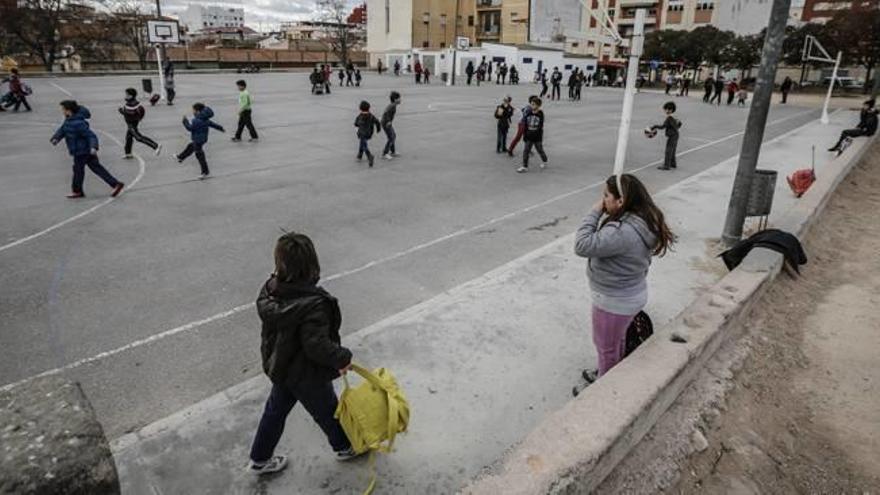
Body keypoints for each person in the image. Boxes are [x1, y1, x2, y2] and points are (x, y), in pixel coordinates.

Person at [248, 232, 361, 475]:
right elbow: (316, 345)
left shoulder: (270, 289)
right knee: (327, 410)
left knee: (275, 411)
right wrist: (343, 356)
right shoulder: (314, 303)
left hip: (282, 366)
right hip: (305, 372)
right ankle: (344, 447)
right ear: (311, 263)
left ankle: (259, 458)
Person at [574, 174, 675, 378]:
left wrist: (595, 212)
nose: (603, 201)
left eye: (606, 196)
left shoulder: (621, 232)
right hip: (629, 295)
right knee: (616, 340)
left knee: (606, 347)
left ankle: (606, 386)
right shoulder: (642, 219)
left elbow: (582, 245)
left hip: (614, 301)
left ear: (621, 201)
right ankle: (611, 370)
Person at [51, 100, 124, 199]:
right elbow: (63, 129)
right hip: (82, 151)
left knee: (78, 170)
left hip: (82, 151)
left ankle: (77, 191)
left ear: (69, 110)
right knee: (96, 167)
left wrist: (93, 147)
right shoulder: (69, 120)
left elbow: (91, 136)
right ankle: (115, 184)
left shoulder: (79, 123)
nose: (62, 111)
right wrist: (56, 138)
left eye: (63, 109)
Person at [177, 102, 224, 180]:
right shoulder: (205, 119)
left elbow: (189, 128)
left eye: (193, 110)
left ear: (198, 111)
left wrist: (185, 121)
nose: (192, 112)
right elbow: (213, 124)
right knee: (191, 146)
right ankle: (181, 157)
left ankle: (205, 172)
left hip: (198, 140)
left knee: (200, 156)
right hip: (202, 139)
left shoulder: (196, 120)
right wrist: (221, 128)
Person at [118, 88, 161, 159]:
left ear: (131, 96)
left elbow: (130, 113)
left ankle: (156, 146)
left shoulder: (133, 104)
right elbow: (129, 112)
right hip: (130, 124)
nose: (125, 96)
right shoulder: (130, 103)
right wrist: (123, 111)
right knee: (128, 138)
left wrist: (121, 111)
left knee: (138, 137)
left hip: (132, 124)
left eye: (127, 94)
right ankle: (128, 153)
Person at [517, 97, 548, 173]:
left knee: (540, 150)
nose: (532, 106)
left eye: (533, 104)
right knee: (526, 151)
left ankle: (545, 161)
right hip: (529, 136)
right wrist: (525, 135)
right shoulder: (528, 113)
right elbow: (526, 125)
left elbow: (540, 126)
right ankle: (525, 166)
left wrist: (536, 134)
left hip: (537, 137)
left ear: (538, 105)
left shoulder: (540, 114)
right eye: (531, 104)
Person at [650, 101, 682, 171]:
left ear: (670, 110)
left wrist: (654, 126)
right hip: (676, 135)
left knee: (668, 150)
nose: (665, 111)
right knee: (672, 150)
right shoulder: (674, 117)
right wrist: (674, 128)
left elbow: (662, 126)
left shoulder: (669, 118)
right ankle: (673, 164)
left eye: (666, 109)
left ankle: (667, 166)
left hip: (672, 136)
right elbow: (680, 124)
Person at [354, 100, 381, 167]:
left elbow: (356, 124)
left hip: (362, 133)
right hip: (369, 133)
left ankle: (369, 156)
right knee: (362, 143)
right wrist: (378, 129)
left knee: (364, 145)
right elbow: (377, 122)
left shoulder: (360, 116)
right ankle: (359, 155)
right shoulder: (371, 116)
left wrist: (357, 129)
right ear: (369, 108)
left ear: (360, 108)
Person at [381, 91, 401, 160]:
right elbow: (386, 112)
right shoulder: (392, 106)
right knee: (391, 137)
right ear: (395, 99)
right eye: (399, 98)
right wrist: (389, 121)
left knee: (393, 136)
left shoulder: (393, 105)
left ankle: (393, 151)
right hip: (385, 123)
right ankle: (384, 153)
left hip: (387, 122)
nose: (400, 100)